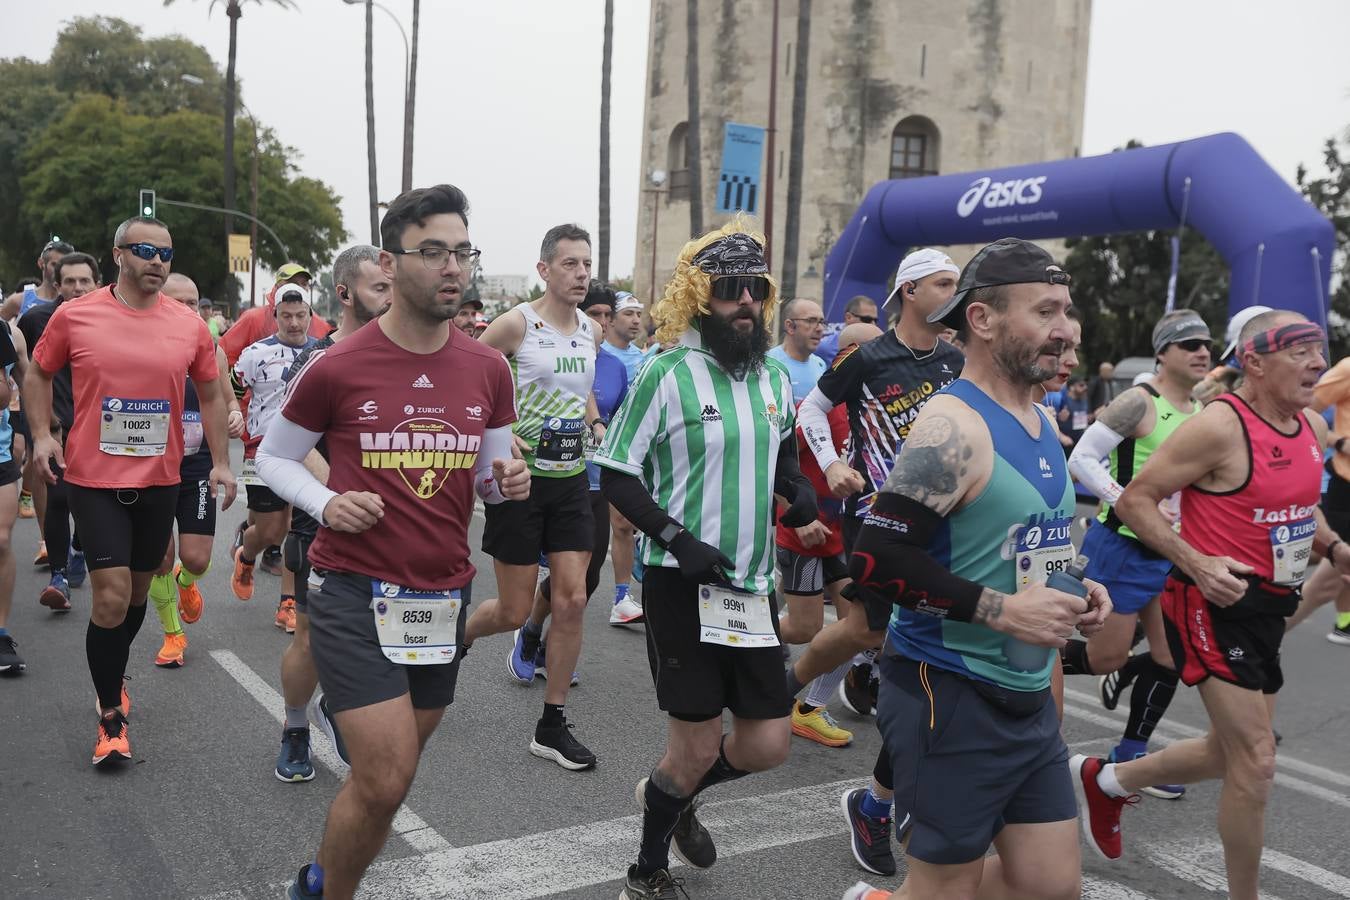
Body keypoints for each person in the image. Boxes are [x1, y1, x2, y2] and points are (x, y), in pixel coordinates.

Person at [257, 184, 527, 900]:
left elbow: (489, 481)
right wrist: (326, 500)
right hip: (351, 589)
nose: (452, 268)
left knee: (391, 779)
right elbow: (274, 457)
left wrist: (509, 483)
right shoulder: (339, 364)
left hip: (442, 596)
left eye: (461, 253)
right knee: (383, 776)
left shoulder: (487, 369)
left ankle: (319, 880)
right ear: (391, 259)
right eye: (432, 251)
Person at [849, 236, 1110, 899]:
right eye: (1047, 311)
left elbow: (1021, 539)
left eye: (1068, 311)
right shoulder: (952, 427)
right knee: (947, 887)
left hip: (1024, 701)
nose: (1066, 330)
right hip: (950, 691)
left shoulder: (1041, 421)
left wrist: (1079, 584)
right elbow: (876, 558)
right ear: (983, 320)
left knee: (1051, 888)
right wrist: (1003, 611)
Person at [1072, 312, 1344, 900]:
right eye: (1301, 352)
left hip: (1269, 607)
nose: (1318, 364)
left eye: (1320, 351)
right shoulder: (1219, 427)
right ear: (1254, 360)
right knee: (1257, 760)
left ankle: (1110, 779)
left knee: (1229, 751)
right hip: (1208, 603)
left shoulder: (1311, 428)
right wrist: (1196, 562)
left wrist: (1336, 547)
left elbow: (1299, 511)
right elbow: (1138, 501)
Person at [596, 215, 816, 899]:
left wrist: (797, 494)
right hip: (680, 583)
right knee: (691, 745)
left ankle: (678, 795)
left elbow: (778, 450)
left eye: (756, 287)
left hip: (753, 590)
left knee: (766, 745)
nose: (745, 301)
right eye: (728, 288)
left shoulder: (773, 379)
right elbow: (616, 472)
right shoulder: (666, 373)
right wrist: (677, 539)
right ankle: (647, 869)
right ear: (699, 296)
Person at [26, 215, 236, 765]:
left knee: (139, 595)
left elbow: (212, 395)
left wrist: (219, 462)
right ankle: (110, 717)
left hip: (160, 480)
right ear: (118, 254)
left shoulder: (187, 325)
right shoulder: (77, 316)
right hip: (93, 480)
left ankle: (114, 674)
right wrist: (45, 435)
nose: (157, 261)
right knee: (112, 596)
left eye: (166, 253)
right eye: (144, 250)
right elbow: (38, 374)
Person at [790, 247, 964, 877]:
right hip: (879, 519)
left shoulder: (955, 358)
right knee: (885, 640)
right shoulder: (867, 356)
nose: (955, 293)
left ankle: (889, 793)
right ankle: (794, 694)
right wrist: (834, 461)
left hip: (947, 523)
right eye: (945, 283)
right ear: (911, 291)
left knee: (908, 651)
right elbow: (808, 408)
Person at [1062, 310, 1212, 800]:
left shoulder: (1203, 410)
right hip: (1122, 546)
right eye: (1189, 344)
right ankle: (1014, 662)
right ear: (1163, 352)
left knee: (1170, 657)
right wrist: (1122, 499)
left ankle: (1131, 754)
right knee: (1105, 658)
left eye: (1206, 344)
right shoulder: (1138, 402)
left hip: (1169, 551)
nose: (1202, 351)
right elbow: (1082, 458)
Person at [469, 223, 603, 771]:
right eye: (570, 264)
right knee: (513, 608)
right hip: (519, 483)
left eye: (587, 265)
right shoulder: (517, 324)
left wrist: (593, 422)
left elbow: (584, 387)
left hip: (570, 480)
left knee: (572, 598)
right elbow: (469, 378)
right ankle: (456, 638)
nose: (581, 274)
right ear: (545, 270)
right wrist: (503, 434)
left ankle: (552, 724)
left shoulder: (590, 331)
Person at [273, 243, 390, 783]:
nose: (390, 295)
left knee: (380, 634)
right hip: (321, 515)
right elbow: (294, 444)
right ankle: (297, 725)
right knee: (311, 639)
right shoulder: (317, 359)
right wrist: (333, 497)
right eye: (378, 287)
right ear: (344, 294)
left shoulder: (408, 353)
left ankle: (336, 707)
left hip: (389, 525)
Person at [514, 281, 632, 683]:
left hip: (597, 480)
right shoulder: (539, 338)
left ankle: (547, 643)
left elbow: (592, 401)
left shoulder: (615, 364)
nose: (597, 323)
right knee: (562, 583)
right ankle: (531, 629)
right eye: (593, 314)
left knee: (587, 578)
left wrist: (599, 425)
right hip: (548, 474)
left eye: (604, 316)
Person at [777, 321, 882, 750]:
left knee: (860, 629)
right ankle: (729, 642)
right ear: (852, 357)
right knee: (804, 628)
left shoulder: (876, 414)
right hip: (804, 535)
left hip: (846, 537)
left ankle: (808, 709)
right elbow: (775, 470)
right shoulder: (819, 409)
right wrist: (798, 518)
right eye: (882, 352)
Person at [147, 273, 243, 668]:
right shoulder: (140, 347)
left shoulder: (212, 350)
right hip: (152, 467)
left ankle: (187, 584)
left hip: (198, 466)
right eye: (179, 302)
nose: (190, 311)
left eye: (194, 303)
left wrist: (235, 415)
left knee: (196, 559)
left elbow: (227, 399)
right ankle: (173, 635)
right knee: (159, 558)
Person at [229, 285, 319, 633]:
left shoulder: (321, 353)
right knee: (270, 530)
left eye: (301, 315)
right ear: (276, 316)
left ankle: (288, 604)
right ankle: (247, 555)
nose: (294, 323)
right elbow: (231, 389)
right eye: (287, 316)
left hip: (307, 453)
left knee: (298, 530)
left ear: (310, 316)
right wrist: (232, 413)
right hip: (262, 451)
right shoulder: (255, 353)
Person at [20, 252, 99, 611]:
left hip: (102, 428)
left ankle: (80, 548)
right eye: (69, 281)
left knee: (88, 502)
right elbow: (24, 368)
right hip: (59, 427)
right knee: (60, 497)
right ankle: (59, 577)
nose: (77, 288)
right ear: (57, 285)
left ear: (97, 283)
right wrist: (37, 427)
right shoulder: (37, 319)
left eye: (85, 281)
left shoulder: (111, 320)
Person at [601, 290, 648, 623]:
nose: (635, 320)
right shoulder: (595, 353)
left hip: (626, 452)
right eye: (628, 313)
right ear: (611, 318)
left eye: (638, 314)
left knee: (623, 523)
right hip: (587, 451)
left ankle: (621, 598)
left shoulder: (644, 359)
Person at [0, 313, 28, 673]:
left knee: (2, 540)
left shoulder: (9, 334)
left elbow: (29, 382)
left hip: (1, 451)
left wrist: (33, 431)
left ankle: (1, 632)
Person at [768, 298, 828, 403]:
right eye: (811, 321)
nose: (820, 329)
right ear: (790, 326)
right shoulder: (767, 363)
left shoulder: (820, 364)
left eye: (822, 322)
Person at [815, 294, 880, 365]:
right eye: (867, 319)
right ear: (848, 317)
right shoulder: (824, 348)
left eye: (875, 321)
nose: (873, 325)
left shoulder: (878, 348)